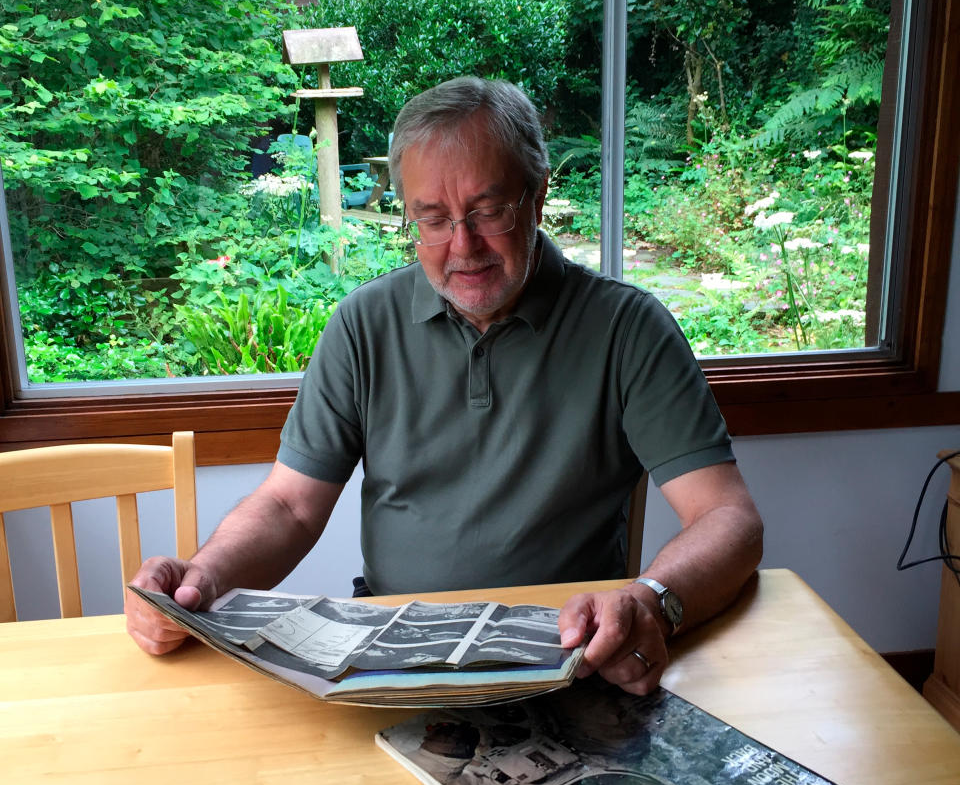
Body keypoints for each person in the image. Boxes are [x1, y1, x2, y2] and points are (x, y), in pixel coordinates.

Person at [125, 77, 762, 695]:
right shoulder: (363, 324)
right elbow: (291, 507)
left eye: (487, 212)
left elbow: (728, 518)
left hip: (567, 660)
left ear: (537, 196)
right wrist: (202, 580)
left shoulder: (628, 328)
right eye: (432, 218)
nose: (463, 246)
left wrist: (650, 600)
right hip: (385, 661)